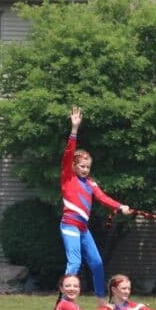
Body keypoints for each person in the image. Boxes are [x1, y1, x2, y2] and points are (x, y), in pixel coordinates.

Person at [59, 106, 131, 298]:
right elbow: (68, 153)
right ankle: (64, 299)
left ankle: (101, 300)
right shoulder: (68, 178)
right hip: (69, 225)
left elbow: (103, 198)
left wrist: (120, 206)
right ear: (73, 166)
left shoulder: (90, 184)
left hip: (82, 229)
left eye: (88, 167)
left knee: (97, 263)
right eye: (81, 166)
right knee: (74, 263)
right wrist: (74, 130)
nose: (85, 170)